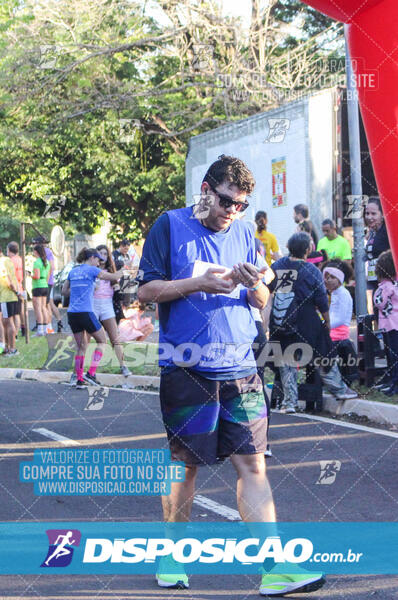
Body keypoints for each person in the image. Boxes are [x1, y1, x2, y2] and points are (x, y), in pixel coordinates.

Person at [138, 155, 325, 596]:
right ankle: (172, 557)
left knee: (252, 463)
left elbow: (260, 296)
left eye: (241, 205)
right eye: (226, 201)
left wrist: (256, 283)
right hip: (187, 367)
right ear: (206, 189)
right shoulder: (169, 225)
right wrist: (196, 284)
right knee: (185, 467)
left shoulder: (244, 232)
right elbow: (146, 290)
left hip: (241, 367)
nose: (232, 212)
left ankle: (275, 568)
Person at [268, 233, 356, 413]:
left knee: (286, 360)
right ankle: (339, 389)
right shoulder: (312, 271)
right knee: (324, 351)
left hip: (281, 320)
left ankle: (289, 402)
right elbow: (321, 300)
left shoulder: (277, 266)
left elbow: (267, 289)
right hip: (307, 320)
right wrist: (327, 321)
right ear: (308, 250)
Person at [62, 248, 126, 388]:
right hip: (86, 312)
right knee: (102, 341)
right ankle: (91, 373)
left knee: (81, 346)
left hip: (72, 314)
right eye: (98, 260)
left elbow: (64, 291)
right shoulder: (92, 270)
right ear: (92, 258)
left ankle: (79, 379)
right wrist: (124, 270)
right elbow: (112, 276)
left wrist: (81, 288)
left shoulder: (73, 271)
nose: (98, 263)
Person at [93, 244, 132, 377]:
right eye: (100, 254)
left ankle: (123, 366)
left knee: (115, 338)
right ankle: (81, 372)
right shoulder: (92, 270)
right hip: (93, 305)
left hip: (107, 306)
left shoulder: (112, 272)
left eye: (105, 254)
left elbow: (120, 287)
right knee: (85, 341)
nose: (102, 257)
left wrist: (119, 290)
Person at [322, 260, 359, 391]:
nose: (328, 280)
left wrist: (326, 325)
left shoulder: (343, 294)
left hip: (339, 333)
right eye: (326, 277)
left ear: (340, 279)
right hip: (333, 330)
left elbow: (341, 318)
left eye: (332, 277)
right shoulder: (335, 293)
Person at [374, 250, 398, 396]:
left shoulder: (387, 286)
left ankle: (395, 383)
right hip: (392, 325)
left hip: (391, 325)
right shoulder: (393, 285)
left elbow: (380, 303)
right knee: (393, 355)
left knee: (394, 356)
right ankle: (393, 381)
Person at [364, 197, 390, 314]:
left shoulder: (387, 231)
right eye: (367, 213)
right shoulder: (372, 232)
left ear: (382, 214)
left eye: (373, 213)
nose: (369, 217)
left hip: (388, 283)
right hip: (375, 282)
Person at [31, 237, 62, 333]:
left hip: (45, 282)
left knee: (44, 305)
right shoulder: (45, 252)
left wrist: (45, 279)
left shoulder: (45, 252)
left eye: (34, 243)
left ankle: (47, 326)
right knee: (48, 304)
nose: (33, 245)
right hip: (46, 282)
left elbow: (52, 267)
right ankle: (51, 325)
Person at [0, 246, 19, 356]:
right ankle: (7, 347)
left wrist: (14, 289)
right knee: (6, 321)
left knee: (8, 322)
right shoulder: (8, 260)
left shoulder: (1, 262)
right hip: (8, 296)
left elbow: (7, 278)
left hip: (6, 296)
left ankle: (12, 349)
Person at [31, 244, 51, 337]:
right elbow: (47, 276)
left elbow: (37, 276)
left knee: (38, 308)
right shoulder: (47, 262)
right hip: (45, 285)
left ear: (36, 252)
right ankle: (47, 328)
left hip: (37, 286)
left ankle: (40, 330)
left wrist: (29, 275)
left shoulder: (37, 262)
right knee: (44, 307)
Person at [6, 242, 25, 337]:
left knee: (11, 315)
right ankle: (18, 332)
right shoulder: (20, 259)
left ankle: (14, 334)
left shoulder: (10, 261)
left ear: (9, 250)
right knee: (18, 312)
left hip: (13, 288)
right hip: (20, 287)